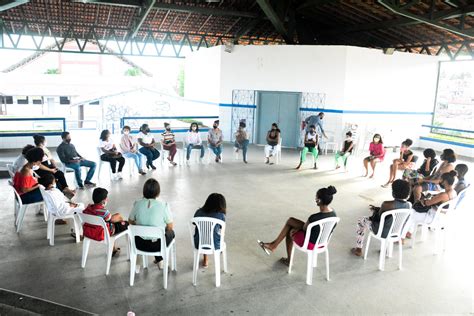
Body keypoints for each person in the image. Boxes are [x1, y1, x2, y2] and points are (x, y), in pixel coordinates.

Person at [257, 186, 337, 266]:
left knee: (290, 229)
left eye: (316, 197)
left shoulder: (314, 217)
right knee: (291, 222)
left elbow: (305, 228)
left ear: (319, 200)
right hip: (322, 243)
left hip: (310, 244)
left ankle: (281, 253)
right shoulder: (334, 214)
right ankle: (273, 246)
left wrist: (297, 229)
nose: (315, 198)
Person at [350, 179, 411, 257]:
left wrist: (375, 210)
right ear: (407, 193)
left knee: (361, 220)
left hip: (381, 232)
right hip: (396, 232)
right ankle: (386, 250)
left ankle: (358, 249)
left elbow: (378, 218)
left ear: (393, 193)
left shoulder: (386, 204)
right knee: (390, 223)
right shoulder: (408, 205)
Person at [128, 178, 174, 269]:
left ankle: (141, 262)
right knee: (170, 232)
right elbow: (170, 226)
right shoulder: (163, 206)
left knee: (143, 231)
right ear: (158, 192)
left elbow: (130, 221)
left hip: (139, 244)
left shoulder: (137, 204)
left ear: (144, 191)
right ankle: (160, 259)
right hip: (157, 246)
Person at [405, 171, 458, 238]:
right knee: (414, 210)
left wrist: (421, 199)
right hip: (442, 217)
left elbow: (426, 203)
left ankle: (403, 236)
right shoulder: (454, 192)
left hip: (433, 217)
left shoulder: (444, 195)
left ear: (445, 181)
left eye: (441, 179)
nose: (439, 181)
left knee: (410, 212)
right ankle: (409, 231)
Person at [83, 188, 128, 256]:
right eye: (106, 198)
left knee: (116, 217)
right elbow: (110, 219)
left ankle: (113, 249)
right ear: (103, 201)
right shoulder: (104, 212)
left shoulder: (87, 209)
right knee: (125, 223)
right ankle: (114, 249)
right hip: (102, 233)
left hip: (90, 232)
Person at [33, 135, 75, 199]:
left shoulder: (45, 149)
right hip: (42, 170)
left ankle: (66, 188)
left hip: (48, 167)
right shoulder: (37, 151)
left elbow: (51, 158)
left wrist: (54, 167)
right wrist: (51, 170)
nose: (46, 142)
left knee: (60, 173)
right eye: (45, 141)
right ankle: (63, 193)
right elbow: (39, 165)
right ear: (42, 143)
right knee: (53, 178)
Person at [193, 193, 226, 268]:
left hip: (198, 243)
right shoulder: (221, 216)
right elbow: (221, 227)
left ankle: (205, 259)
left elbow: (194, 223)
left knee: (204, 234)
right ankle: (217, 256)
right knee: (216, 234)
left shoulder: (198, 212)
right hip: (215, 245)